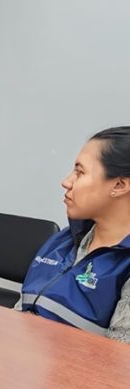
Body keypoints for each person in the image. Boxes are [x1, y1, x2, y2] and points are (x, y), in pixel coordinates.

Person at [19, 127, 130, 343]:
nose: (66, 181)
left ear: (119, 185)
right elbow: (19, 313)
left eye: (80, 172)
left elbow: (119, 358)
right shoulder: (63, 240)